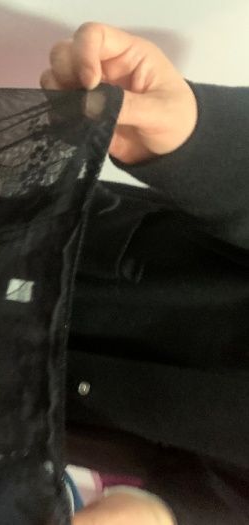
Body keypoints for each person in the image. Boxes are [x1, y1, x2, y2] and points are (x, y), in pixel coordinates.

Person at [40, 22, 249, 524]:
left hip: (41, 400)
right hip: (76, 258)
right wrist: (194, 134)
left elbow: (224, 499)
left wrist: (158, 513)